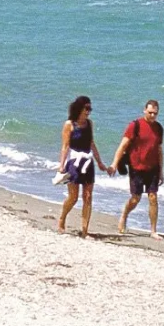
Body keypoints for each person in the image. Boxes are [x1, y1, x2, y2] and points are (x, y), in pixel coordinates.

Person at [114, 99, 164, 237]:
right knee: (136, 198)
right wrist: (114, 164)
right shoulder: (135, 125)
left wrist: (161, 171)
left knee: (153, 197)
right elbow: (123, 145)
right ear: (144, 110)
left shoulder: (159, 128)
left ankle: (153, 231)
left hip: (153, 167)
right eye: (150, 113)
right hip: (136, 167)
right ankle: (124, 215)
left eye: (155, 113)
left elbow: (159, 150)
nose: (153, 116)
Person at [56, 95, 102, 236]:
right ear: (79, 108)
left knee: (88, 196)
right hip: (74, 163)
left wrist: (99, 162)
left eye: (90, 109)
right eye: (86, 108)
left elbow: (91, 143)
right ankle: (62, 218)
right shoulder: (69, 124)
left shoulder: (90, 124)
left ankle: (85, 231)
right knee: (73, 197)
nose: (88, 111)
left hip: (88, 163)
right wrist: (61, 165)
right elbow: (65, 146)